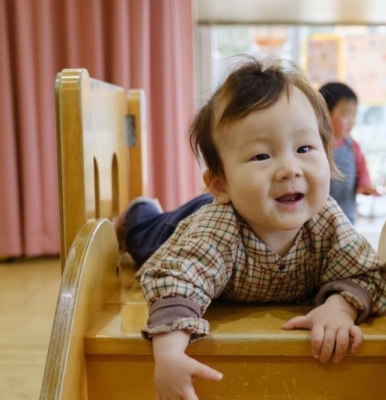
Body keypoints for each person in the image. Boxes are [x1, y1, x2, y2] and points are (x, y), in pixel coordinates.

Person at [115, 57, 386, 400]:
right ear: (220, 183)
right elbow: (178, 281)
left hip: (247, 205)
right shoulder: (215, 230)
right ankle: (141, 209)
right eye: (261, 156)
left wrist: (340, 306)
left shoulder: (326, 219)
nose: (290, 169)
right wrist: (169, 353)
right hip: (194, 223)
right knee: (144, 238)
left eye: (304, 148)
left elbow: (367, 272)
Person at [318, 82, 380, 223]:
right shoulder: (315, 146)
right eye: (346, 114)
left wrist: (366, 186)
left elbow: (361, 169)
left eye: (354, 114)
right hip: (318, 218)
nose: (352, 121)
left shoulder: (352, 145)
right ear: (323, 114)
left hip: (347, 216)